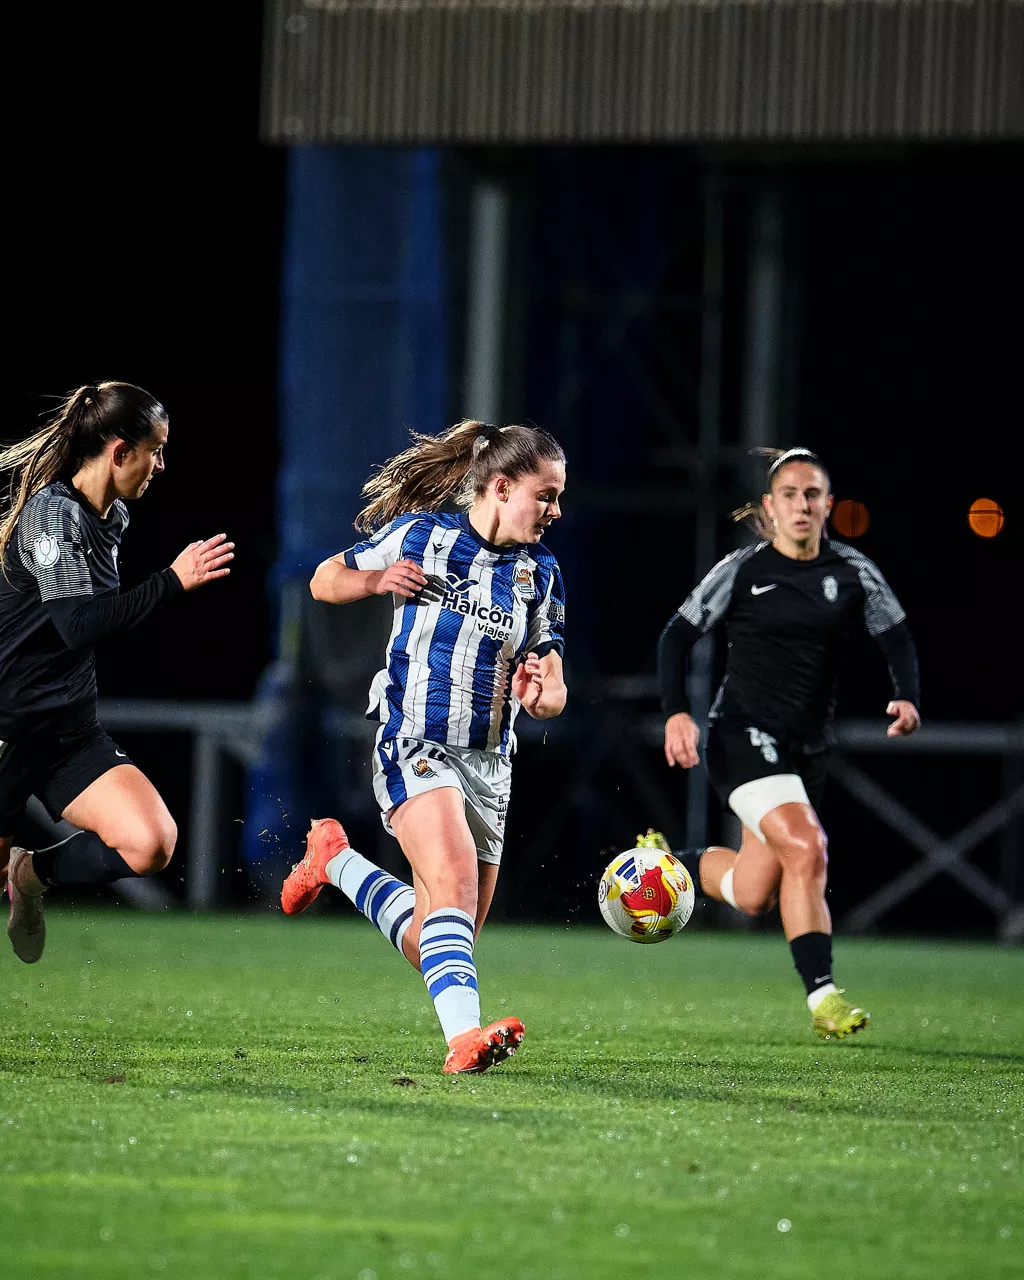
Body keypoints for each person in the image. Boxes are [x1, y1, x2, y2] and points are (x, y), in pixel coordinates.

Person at [280, 419, 567, 1074]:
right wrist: (376, 581)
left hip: (490, 765)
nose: (555, 511)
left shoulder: (541, 573)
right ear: (501, 487)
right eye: (546, 496)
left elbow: (554, 685)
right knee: (455, 883)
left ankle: (336, 863)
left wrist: (539, 692)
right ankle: (463, 1043)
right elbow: (324, 578)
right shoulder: (421, 537)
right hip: (415, 741)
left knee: (438, 938)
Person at [654, 447, 920, 1041]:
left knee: (752, 894)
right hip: (741, 734)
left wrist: (907, 697)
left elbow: (896, 634)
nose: (802, 505)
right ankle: (824, 997)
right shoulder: (743, 569)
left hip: (806, 750)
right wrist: (676, 714)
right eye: (790, 495)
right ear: (769, 507)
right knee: (807, 846)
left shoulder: (851, 570)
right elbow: (677, 636)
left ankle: (669, 864)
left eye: (812, 494)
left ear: (829, 504)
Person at [0, 381, 234, 962]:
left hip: (66, 732)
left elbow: (92, 623)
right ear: (120, 451)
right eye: (155, 450)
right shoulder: (52, 512)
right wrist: (170, 581)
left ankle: (29, 874)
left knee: (151, 843)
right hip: (7, 727)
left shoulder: (114, 517)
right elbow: (76, 624)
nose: (161, 465)